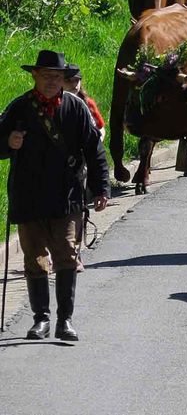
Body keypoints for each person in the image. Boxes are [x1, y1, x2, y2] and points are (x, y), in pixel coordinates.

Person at [0, 50, 108, 342]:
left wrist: (101, 188)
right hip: (28, 196)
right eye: (46, 76)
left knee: (66, 256)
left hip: (66, 196)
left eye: (57, 77)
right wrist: (8, 143)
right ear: (34, 76)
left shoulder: (76, 108)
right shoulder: (20, 108)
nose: (51, 82)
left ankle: (65, 321)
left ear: (64, 79)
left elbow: (94, 151)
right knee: (34, 260)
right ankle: (41, 320)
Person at [62, 63, 104, 273]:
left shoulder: (86, 103)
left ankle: (75, 253)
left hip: (83, 165)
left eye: (77, 80)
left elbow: (100, 127)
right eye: (69, 81)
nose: (74, 85)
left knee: (79, 209)